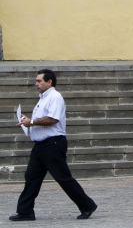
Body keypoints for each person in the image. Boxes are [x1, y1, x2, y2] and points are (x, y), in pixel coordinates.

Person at [9, 69, 97, 222]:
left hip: (53, 144)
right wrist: (28, 121)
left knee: (63, 177)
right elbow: (41, 120)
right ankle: (25, 211)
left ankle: (87, 205)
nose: (36, 83)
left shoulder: (55, 97)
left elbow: (52, 119)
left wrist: (31, 122)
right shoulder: (43, 98)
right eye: (36, 81)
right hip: (40, 145)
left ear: (49, 82)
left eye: (39, 81)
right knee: (31, 177)